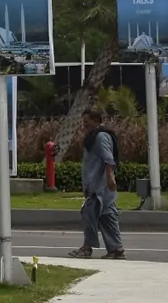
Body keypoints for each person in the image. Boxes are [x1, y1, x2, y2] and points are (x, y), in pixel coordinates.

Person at [68, 109, 126, 260]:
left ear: (95, 120)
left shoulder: (100, 137)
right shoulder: (95, 137)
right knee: (107, 216)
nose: (84, 124)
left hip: (99, 185)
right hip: (98, 184)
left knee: (88, 214)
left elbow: (108, 158)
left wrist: (110, 177)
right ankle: (116, 249)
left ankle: (87, 248)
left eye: (86, 121)